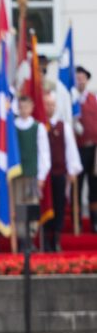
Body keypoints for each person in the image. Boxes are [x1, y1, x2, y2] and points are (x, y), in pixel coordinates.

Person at [43, 92, 83, 251]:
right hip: (44, 175)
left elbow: (70, 149)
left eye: (52, 105)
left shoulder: (63, 126)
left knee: (59, 205)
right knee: (46, 205)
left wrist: (72, 169)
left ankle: (56, 238)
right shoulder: (39, 125)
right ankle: (45, 238)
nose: (49, 107)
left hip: (59, 172)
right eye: (47, 104)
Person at [14, 95, 51, 250]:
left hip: (32, 174)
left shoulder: (38, 127)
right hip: (16, 176)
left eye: (26, 107)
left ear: (32, 107)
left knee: (32, 206)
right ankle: (21, 237)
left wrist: (42, 175)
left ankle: (31, 237)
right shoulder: (12, 127)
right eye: (21, 107)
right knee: (19, 207)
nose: (23, 110)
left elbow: (44, 153)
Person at [73, 66, 97, 232]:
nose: (80, 81)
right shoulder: (71, 101)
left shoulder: (93, 99)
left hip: (93, 149)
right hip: (77, 150)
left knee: (94, 186)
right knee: (78, 185)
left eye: (83, 78)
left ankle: (94, 221)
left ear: (87, 80)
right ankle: (78, 220)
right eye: (78, 78)